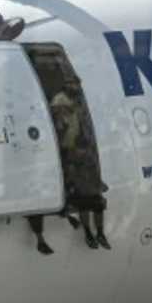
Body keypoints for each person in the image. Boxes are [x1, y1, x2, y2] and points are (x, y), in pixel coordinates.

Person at [51, 87, 109, 251]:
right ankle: (89, 232)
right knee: (85, 202)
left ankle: (98, 233)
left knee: (95, 202)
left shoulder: (75, 117)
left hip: (81, 162)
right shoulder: (61, 120)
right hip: (73, 162)